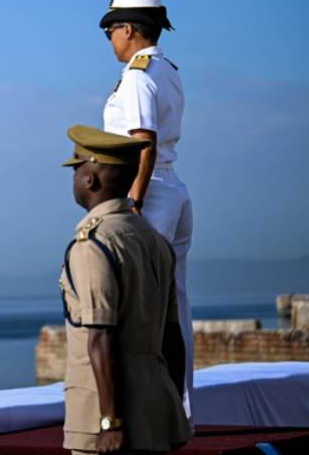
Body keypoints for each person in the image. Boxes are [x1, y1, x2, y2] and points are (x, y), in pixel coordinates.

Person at [60, 125, 190, 455]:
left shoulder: (93, 244)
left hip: (106, 422)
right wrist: (172, 408)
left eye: (77, 169)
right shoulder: (155, 242)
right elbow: (173, 337)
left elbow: (101, 335)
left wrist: (110, 422)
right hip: (154, 410)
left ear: (90, 179)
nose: (74, 178)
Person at [99, 0, 194, 412]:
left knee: (143, 303)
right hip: (170, 187)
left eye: (110, 31)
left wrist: (133, 203)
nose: (109, 40)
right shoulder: (166, 69)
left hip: (150, 189)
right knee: (176, 302)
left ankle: (150, 408)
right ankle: (182, 406)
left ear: (128, 29)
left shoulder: (138, 75)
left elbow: (143, 142)